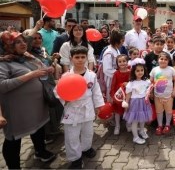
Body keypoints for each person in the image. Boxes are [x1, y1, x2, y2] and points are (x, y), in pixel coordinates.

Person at [0, 32, 56, 169]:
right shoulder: (3, 62)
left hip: (36, 106)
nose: (23, 44)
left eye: (23, 41)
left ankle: (40, 152)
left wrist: (47, 69)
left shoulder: (26, 57)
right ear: (8, 45)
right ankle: (14, 166)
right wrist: (31, 75)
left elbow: (40, 70)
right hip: (17, 111)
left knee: (38, 130)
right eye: (17, 42)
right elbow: (2, 86)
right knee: (13, 140)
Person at [59, 46, 104, 169]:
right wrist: (65, 99)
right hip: (72, 108)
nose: (80, 60)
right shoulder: (66, 76)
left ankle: (86, 148)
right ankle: (75, 159)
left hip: (87, 107)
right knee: (71, 135)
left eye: (82, 57)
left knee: (88, 132)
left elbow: (96, 91)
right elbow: (59, 92)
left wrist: (98, 105)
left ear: (86, 58)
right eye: (77, 57)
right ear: (71, 58)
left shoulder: (91, 75)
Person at [123, 58, 152, 144]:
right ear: (133, 72)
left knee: (143, 119)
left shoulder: (147, 81)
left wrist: (149, 94)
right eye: (137, 71)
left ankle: (142, 131)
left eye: (141, 70)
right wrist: (126, 104)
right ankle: (135, 137)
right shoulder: (131, 83)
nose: (140, 72)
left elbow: (148, 91)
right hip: (135, 103)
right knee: (135, 120)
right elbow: (128, 95)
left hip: (144, 102)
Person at [150, 52, 175, 135]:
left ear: (168, 61)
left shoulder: (171, 69)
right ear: (158, 60)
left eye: (166, 59)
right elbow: (151, 82)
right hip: (157, 96)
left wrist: (174, 91)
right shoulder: (154, 70)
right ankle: (159, 125)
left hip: (169, 95)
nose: (163, 61)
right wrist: (151, 93)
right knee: (159, 111)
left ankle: (167, 125)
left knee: (168, 111)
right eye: (161, 59)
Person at [110, 54, 130, 135]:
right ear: (117, 63)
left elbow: (133, 82)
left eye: (124, 61)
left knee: (128, 109)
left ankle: (128, 124)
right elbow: (113, 85)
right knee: (118, 111)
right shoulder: (116, 73)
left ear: (127, 62)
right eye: (120, 62)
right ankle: (117, 125)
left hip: (128, 94)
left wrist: (128, 83)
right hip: (119, 95)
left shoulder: (130, 72)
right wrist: (112, 95)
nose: (122, 63)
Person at [101, 30, 124, 101]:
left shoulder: (116, 50)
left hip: (117, 77)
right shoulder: (108, 52)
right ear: (117, 41)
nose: (123, 42)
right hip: (110, 79)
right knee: (111, 96)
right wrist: (118, 73)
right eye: (122, 40)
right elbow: (107, 70)